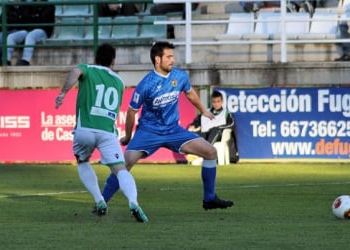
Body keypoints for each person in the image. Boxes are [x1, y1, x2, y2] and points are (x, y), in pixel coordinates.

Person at [100, 41, 234, 212]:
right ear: (158, 59)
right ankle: (102, 203)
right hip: (149, 131)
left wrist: (203, 111)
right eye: (169, 57)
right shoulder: (146, 84)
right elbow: (132, 112)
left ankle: (209, 199)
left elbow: (190, 93)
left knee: (210, 152)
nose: (173, 60)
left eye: (173, 56)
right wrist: (128, 136)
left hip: (173, 130)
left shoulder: (179, 76)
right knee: (125, 163)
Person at [54, 43, 148, 223]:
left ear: (95, 58)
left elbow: (76, 72)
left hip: (85, 130)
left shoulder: (87, 68)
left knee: (82, 161)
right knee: (120, 169)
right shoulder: (119, 82)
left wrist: (64, 93)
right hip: (107, 133)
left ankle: (100, 201)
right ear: (113, 61)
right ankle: (133, 202)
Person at [188, 90, 239, 164]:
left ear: (222, 101)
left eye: (218, 101)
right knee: (192, 132)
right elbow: (197, 122)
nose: (216, 104)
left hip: (218, 135)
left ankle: (204, 155)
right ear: (212, 102)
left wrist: (220, 127)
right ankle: (194, 155)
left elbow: (231, 124)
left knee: (215, 129)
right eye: (214, 102)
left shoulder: (226, 113)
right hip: (205, 134)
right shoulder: (205, 112)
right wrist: (193, 126)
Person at [6, 0, 55, 66]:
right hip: (29, 29)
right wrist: (34, 17)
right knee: (11, 37)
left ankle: (25, 60)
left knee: (31, 35)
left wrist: (34, 17)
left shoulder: (50, 6)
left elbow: (42, 20)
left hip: (43, 31)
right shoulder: (31, 5)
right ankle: (6, 60)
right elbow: (26, 18)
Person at [0, 0, 29, 66]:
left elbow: (23, 21)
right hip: (9, 29)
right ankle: (0, 59)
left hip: (20, 30)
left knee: (4, 36)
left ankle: (2, 60)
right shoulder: (8, 6)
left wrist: (12, 21)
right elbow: (2, 19)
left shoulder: (26, 7)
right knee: (0, 35)